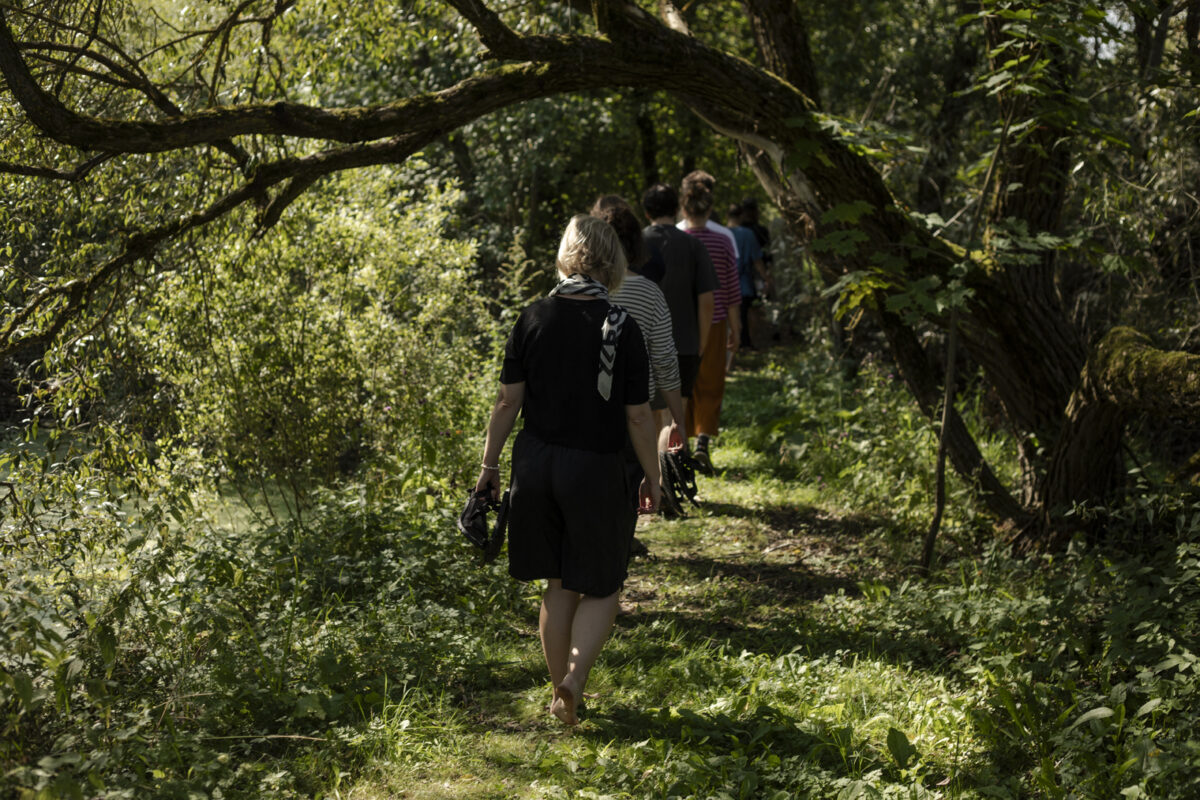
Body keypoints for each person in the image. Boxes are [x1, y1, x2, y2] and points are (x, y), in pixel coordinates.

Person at [475, 214, 661, 726]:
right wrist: (653, 474)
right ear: (614, 262)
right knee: (602, 585)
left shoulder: (532, 317)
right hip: (597, 469)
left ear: (564, 256)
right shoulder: (623, 326)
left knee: (558, 584)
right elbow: (638, 417)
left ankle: (561, 694)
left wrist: (489, 465)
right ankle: (574, 682)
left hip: (536, 466)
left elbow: (507, 401)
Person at [592, 194, 685, 533]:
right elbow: (665, 362)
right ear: (635, 243)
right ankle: (620, 546)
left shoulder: (570, 293)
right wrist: (678, 418)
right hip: (633, 413)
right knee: (626, 490)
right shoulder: (648, 292)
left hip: (582, 412)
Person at [641, 183, 718, 457]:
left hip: (644, 344)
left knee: (649, 413)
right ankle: (675, 470)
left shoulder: (635, 244)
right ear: (676, 209)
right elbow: (706, 300)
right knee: (677, 415)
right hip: (685, 343)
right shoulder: (693, 245)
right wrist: (701, 342)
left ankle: (653, 475)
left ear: (646, 212)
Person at [677, 171, 740, 474]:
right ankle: (702, 442)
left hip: (680, 324)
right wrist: (736, 328)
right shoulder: (724, 238)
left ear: (683, 204)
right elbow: (731, 288)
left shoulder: (676, 237)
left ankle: (681, 444)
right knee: (711, 383)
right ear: (711, 206)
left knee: (682, 383)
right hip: (714, 322)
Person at [727, 203, 767, 349]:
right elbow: (757, 260)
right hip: (743, 283)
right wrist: (766, 278)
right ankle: (746, 343)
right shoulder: (748, 234)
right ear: (741, 216)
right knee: (747, 313)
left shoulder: (721, 233)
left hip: (725, 284)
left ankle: (732, 345)